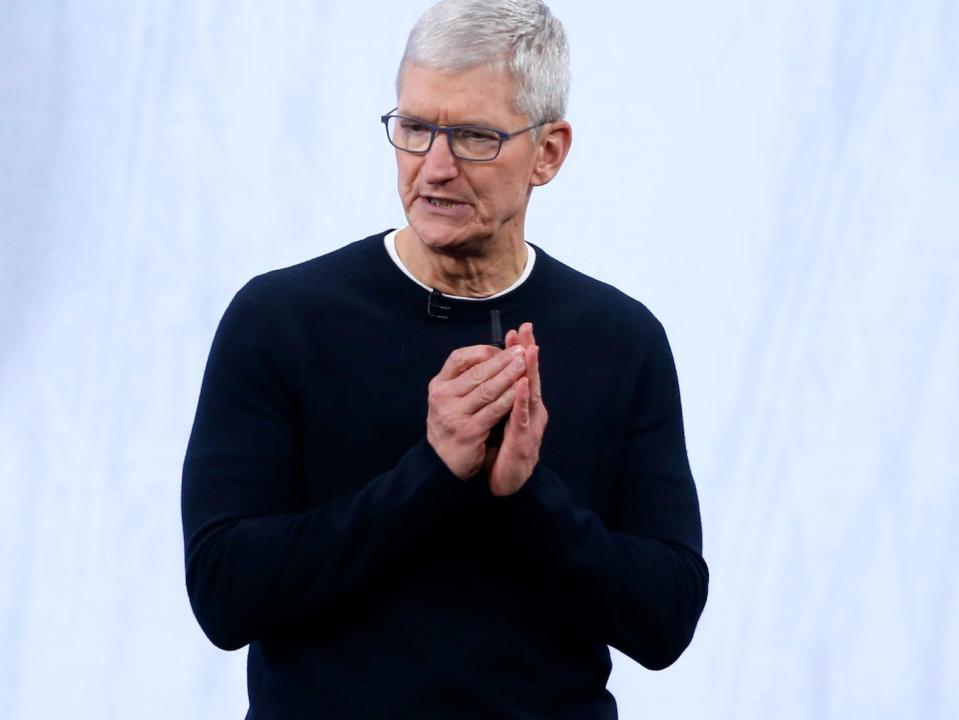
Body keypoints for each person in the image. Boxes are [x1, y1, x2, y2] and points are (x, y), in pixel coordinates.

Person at [180, 0, 708, 717]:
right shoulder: (280, 319)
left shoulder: (621, 338)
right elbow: (224, 595)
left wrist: (527, 493)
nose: (434, 168)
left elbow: (665, 619)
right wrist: (429, 473)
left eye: (475, 138)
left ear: (548, 152)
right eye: (416, 128)